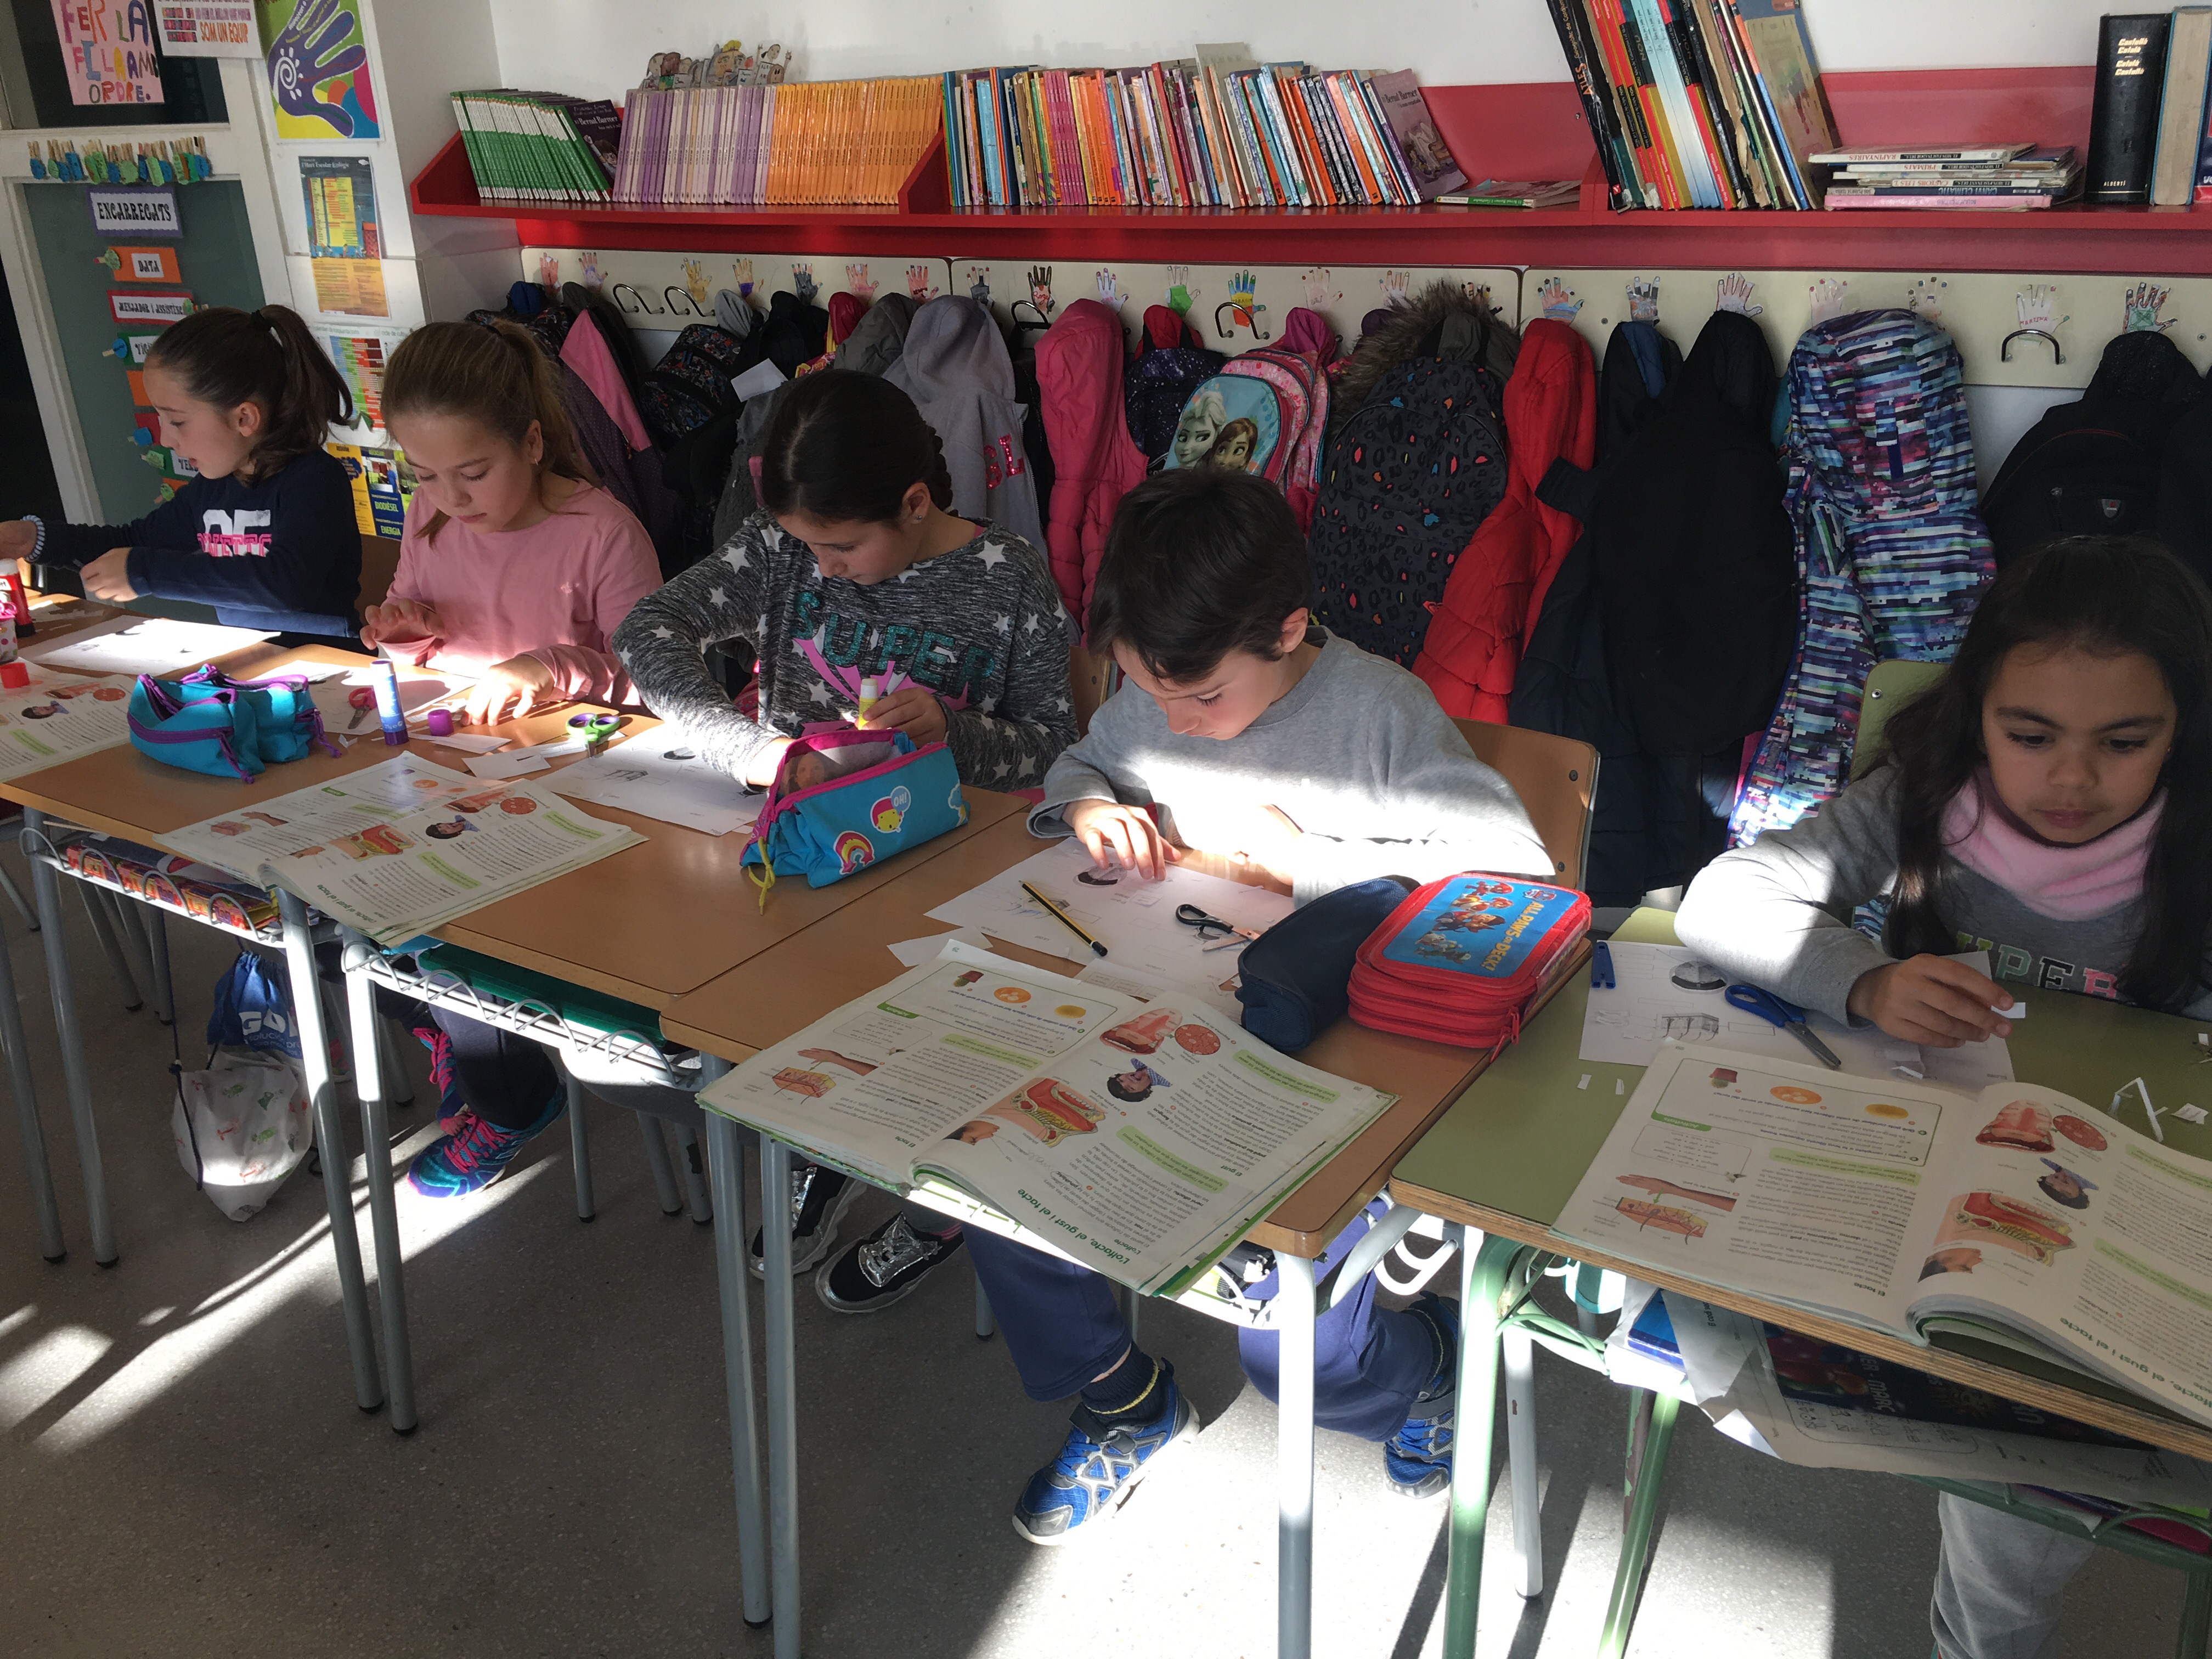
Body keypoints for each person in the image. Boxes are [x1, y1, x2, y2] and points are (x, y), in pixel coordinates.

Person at [977, 467, 1554, 1542]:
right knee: (1002, 1175)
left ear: (1289, 630)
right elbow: (1082, 763)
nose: (1175, 726)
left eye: (1202, 699)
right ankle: (1124, 1401)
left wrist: (1315, 861)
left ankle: (1429, 1363)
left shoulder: (1379, 712)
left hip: (1335, 1056)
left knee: (1297, 1353)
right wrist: (1091, 803)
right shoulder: (1160, 683)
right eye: (1147, 692)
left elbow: (1516, 873)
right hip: (1166, 1015)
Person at [1674, 534, 2212, 1659]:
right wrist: (1865, 980)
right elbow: (1721, 899)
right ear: (1977, 716)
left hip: (2140, 1207)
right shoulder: (1925, 793)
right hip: (1951, 1195)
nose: (2071, 781)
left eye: (2125, 742)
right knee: (2011, 1495)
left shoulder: (2192, 836)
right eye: (2030, 735)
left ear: (2182, 729)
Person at [613, 368, 1076, 1299]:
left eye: (842, 546)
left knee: (936, 1056)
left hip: (947, 877)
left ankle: (938, 1203)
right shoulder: (780, 553)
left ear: (915, 502)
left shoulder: (1007, 575)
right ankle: (823, 1148)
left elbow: (1056, 749)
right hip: (806, 863)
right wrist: (748, 748)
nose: (822, 566)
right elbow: (646, 630)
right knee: (788, 1023)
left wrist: (952, 732)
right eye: (806, 544)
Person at [368, 318, 662, 1199]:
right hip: (454, 775)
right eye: (424, 475)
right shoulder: (431, 517)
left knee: (449, 925)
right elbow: (408, 610)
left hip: (578, 800)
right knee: (349, 914)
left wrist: (552, 670)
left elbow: (657, 683)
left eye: (472, 472)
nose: (448, 498)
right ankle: (459, 1034)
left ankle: (508, 1096)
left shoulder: (601, 531)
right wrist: (400, 628)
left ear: (532, 443)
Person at [1, 304, 362, 647]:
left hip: (333, 662)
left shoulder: (315, 481)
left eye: (177, 421)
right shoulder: (211, 489)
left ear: (244, 418)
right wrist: (33, 540)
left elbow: (286, 584)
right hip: (257, 659)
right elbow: (133, 541)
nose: (165, 439)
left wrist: (145, 572)